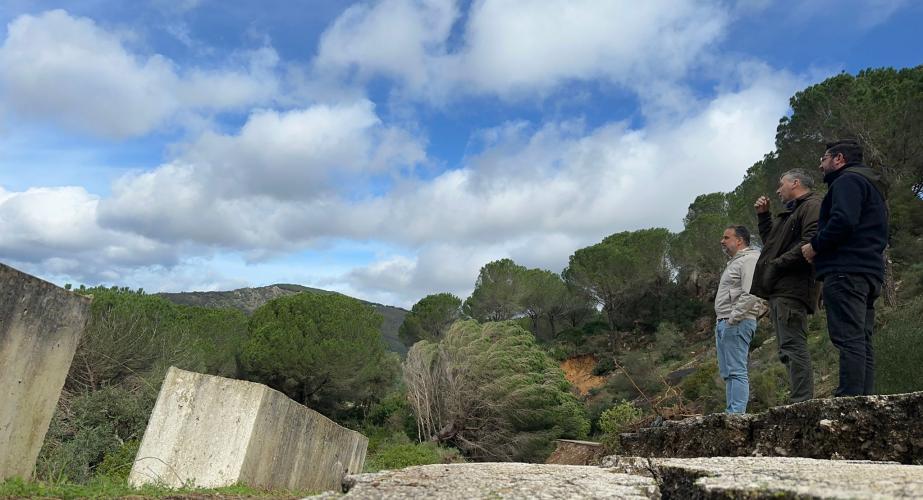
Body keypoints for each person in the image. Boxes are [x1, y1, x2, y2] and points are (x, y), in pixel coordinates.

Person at [801, 140, 888, 396]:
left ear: (839, 159)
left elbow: (843, 221)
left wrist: (814, 246)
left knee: (848, 337)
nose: (820, 163)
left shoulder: (846, 182)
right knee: (862, 339)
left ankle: (849, 398)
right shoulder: (871, 186)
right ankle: (863, 398)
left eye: (824, 158)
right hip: (869, 272)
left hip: (846, 270)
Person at [751, 169, 822, 403]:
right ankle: (799, 400)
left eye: (781, 184)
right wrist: (764, 217)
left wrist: (776, 264)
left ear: (796, 183)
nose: (778, 190)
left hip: (794, 288)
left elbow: (811, 241)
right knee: (786, 349)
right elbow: (773, 243)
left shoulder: (812, 205)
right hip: (782, 290)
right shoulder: (791, 212)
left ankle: (801, 401)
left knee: (793, 346)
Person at [715, 225, 765, 413]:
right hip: (725, 321)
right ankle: (732, 413)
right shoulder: (736, 262)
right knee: (729, 373)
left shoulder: (750, 259)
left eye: (726, 237)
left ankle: (736, 415)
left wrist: (733, 318)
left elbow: (751, 292)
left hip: (736, 322)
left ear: (739, 240)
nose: (722, 241)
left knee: (736, 371)